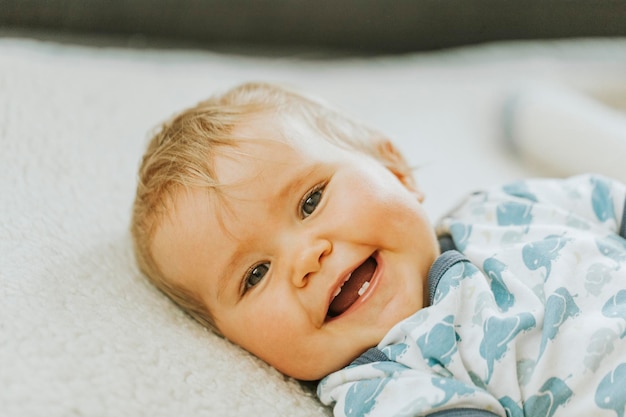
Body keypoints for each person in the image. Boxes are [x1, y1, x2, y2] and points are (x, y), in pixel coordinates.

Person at [131, 82, 626, 417]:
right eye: (255, 274)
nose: (306, 258)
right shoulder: (386, 385)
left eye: (310, 200)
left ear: (397, 171)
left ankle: (536, 109)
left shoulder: (506, 209)